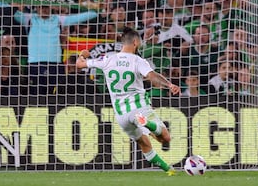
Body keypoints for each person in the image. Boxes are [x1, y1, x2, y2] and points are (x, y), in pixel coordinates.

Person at [76, 27, 180, 176]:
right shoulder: (138, 60)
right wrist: (169, 85)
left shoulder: (107, 59)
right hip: (139, 108)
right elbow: (152, 77)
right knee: (165, 138)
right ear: (136, 42)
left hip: (121, 115)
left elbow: (79, 64)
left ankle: (169, 171)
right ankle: (147, 123)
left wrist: (82, 55)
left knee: (145, 144)